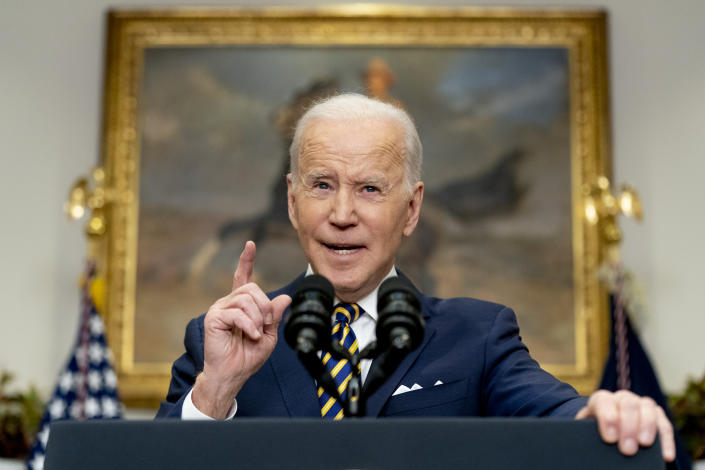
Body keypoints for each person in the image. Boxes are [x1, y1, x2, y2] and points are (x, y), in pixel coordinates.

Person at [157, 93, 675, 462]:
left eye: (370, 189)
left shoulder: (479, 336)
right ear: (292, 203)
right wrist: (215, 391)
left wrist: (605, 412)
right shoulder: (219, 338)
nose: (342, 213)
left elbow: (556, 413)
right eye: (321, 185)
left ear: (411, 209)